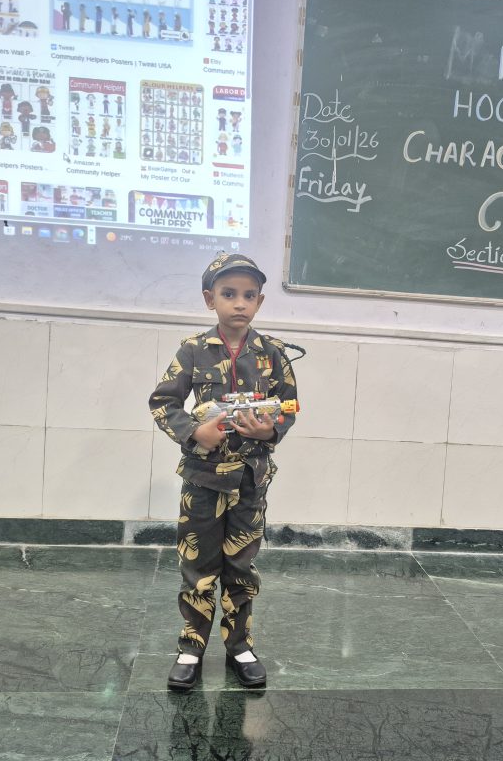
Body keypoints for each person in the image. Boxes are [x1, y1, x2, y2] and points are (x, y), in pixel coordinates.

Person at [150, 254, 299, 692]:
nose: (239, 303)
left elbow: (290, 406)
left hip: (250, 479)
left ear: (260, 301)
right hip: (203, 477)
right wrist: (195, 432)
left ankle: (240, 647)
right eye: (229, 294)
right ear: (209, 299)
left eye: (249, 295)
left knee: (241, 565)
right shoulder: (194, 349)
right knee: (197, 563)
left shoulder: (273, 353)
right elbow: (163, 402)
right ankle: (191, 646)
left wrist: (270, 429)